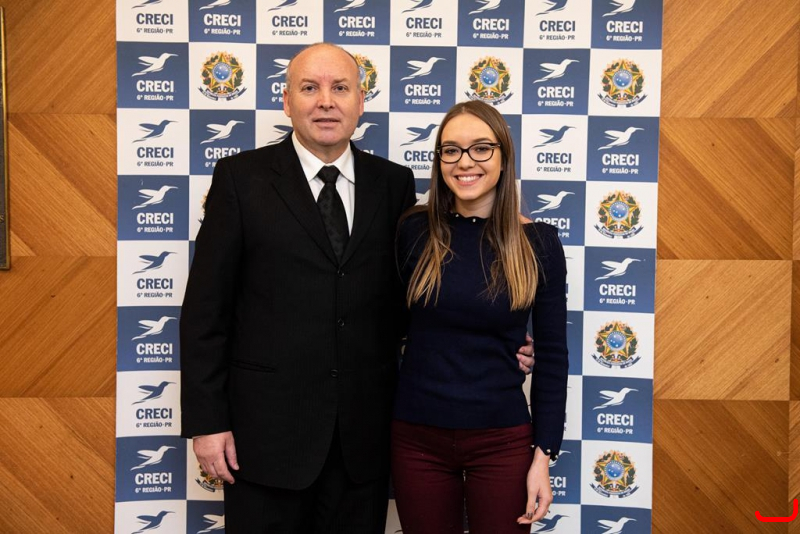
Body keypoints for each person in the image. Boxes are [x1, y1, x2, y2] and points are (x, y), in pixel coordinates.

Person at [180, 43, 534, 533]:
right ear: (287, 101)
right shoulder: (241, 179)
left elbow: (415, 300)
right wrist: (208, 422)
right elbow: (205, 311)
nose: (326, 101)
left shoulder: (392, 183)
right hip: (265, 440)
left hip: (362, 443)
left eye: (341, 88)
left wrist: (494, 342)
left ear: (360, 102)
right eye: (310, 87)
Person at [391, 100, 569, 533]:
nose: (465, 162)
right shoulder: (414, 231)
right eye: (451, 150)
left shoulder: (539, 243)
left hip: (502, 440)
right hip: (417, 438)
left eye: (481, 148)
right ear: (439, 161)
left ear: (504, 157)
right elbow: (383, 327)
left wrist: (543, 456)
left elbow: (553, 357)